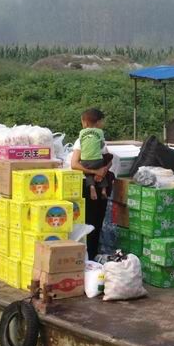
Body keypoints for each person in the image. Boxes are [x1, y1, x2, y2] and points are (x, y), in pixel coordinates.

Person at [70, 109, 115, 259]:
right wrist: (97, 172)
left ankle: (93, 255)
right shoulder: (80, 141)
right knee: (88, 220)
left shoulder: (99, 140)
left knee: (97, 220)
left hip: (99, 182)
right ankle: (86, 255)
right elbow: (74, 164)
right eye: (101, 122)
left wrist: (103, 170)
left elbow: (109, 160)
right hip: (87, 185)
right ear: (94, 123)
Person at [76, 108, 115, 200]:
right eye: (102, 121)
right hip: (98, 166)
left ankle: (92, 187)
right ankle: (103, 190)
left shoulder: (81, 138)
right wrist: (99, 172)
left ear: (85, 123)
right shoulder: (100, 136)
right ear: (98, 123)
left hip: (87, 168)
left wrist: (101, 171)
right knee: (99, 168)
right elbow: (108, 160)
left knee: (89, 173)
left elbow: (74, 164)